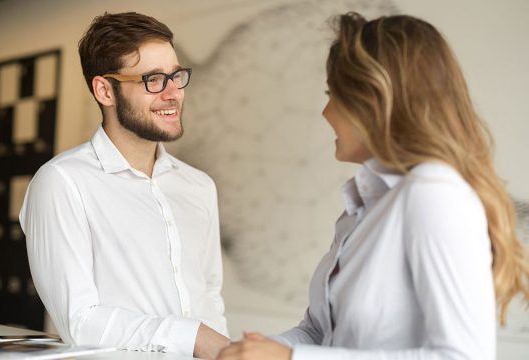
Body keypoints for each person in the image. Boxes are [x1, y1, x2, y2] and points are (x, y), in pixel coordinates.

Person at [217, 12, 529, 360]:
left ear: (374, 101)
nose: (326, 112)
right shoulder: (363, 208)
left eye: (333, 94)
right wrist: (252, 350)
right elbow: (321, 333)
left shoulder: (433, 195)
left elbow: (460, 356)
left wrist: (289, 358)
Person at [19, 12, 229, 359]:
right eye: (153, 79)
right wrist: (192, 337)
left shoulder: (199, 186)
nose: (174, 93)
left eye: (176, 76)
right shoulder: (62, 183)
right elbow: (79, 321)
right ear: (105, 90)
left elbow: (210, 297)